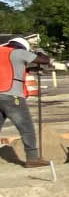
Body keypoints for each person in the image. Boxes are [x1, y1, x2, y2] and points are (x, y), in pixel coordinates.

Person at [0, 35, 49, 166]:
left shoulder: (2, 52)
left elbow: (9, 69)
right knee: (26, 127)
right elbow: (44, 60)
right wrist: (40, 53)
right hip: (11, 95)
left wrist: (29, 69)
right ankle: (32, 158)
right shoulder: (18, 52)